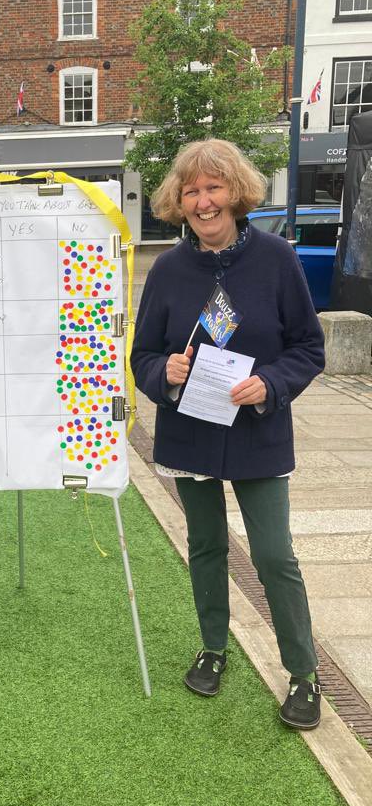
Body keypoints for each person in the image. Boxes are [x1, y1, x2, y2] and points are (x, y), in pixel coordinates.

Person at [131, 139, 325, 730]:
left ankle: (304, 675)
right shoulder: (167, 268)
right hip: (190, 434)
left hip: (258, 436)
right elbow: (142, 355)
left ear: (236, 193)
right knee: (206, 547)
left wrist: (271, 383)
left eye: (213, 187)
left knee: (273, 555)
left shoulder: (276, 259)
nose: (203, 200)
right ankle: (213, 648)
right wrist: (163, 372)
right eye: (191, 190)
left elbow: (309, 348)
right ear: (178, 201)